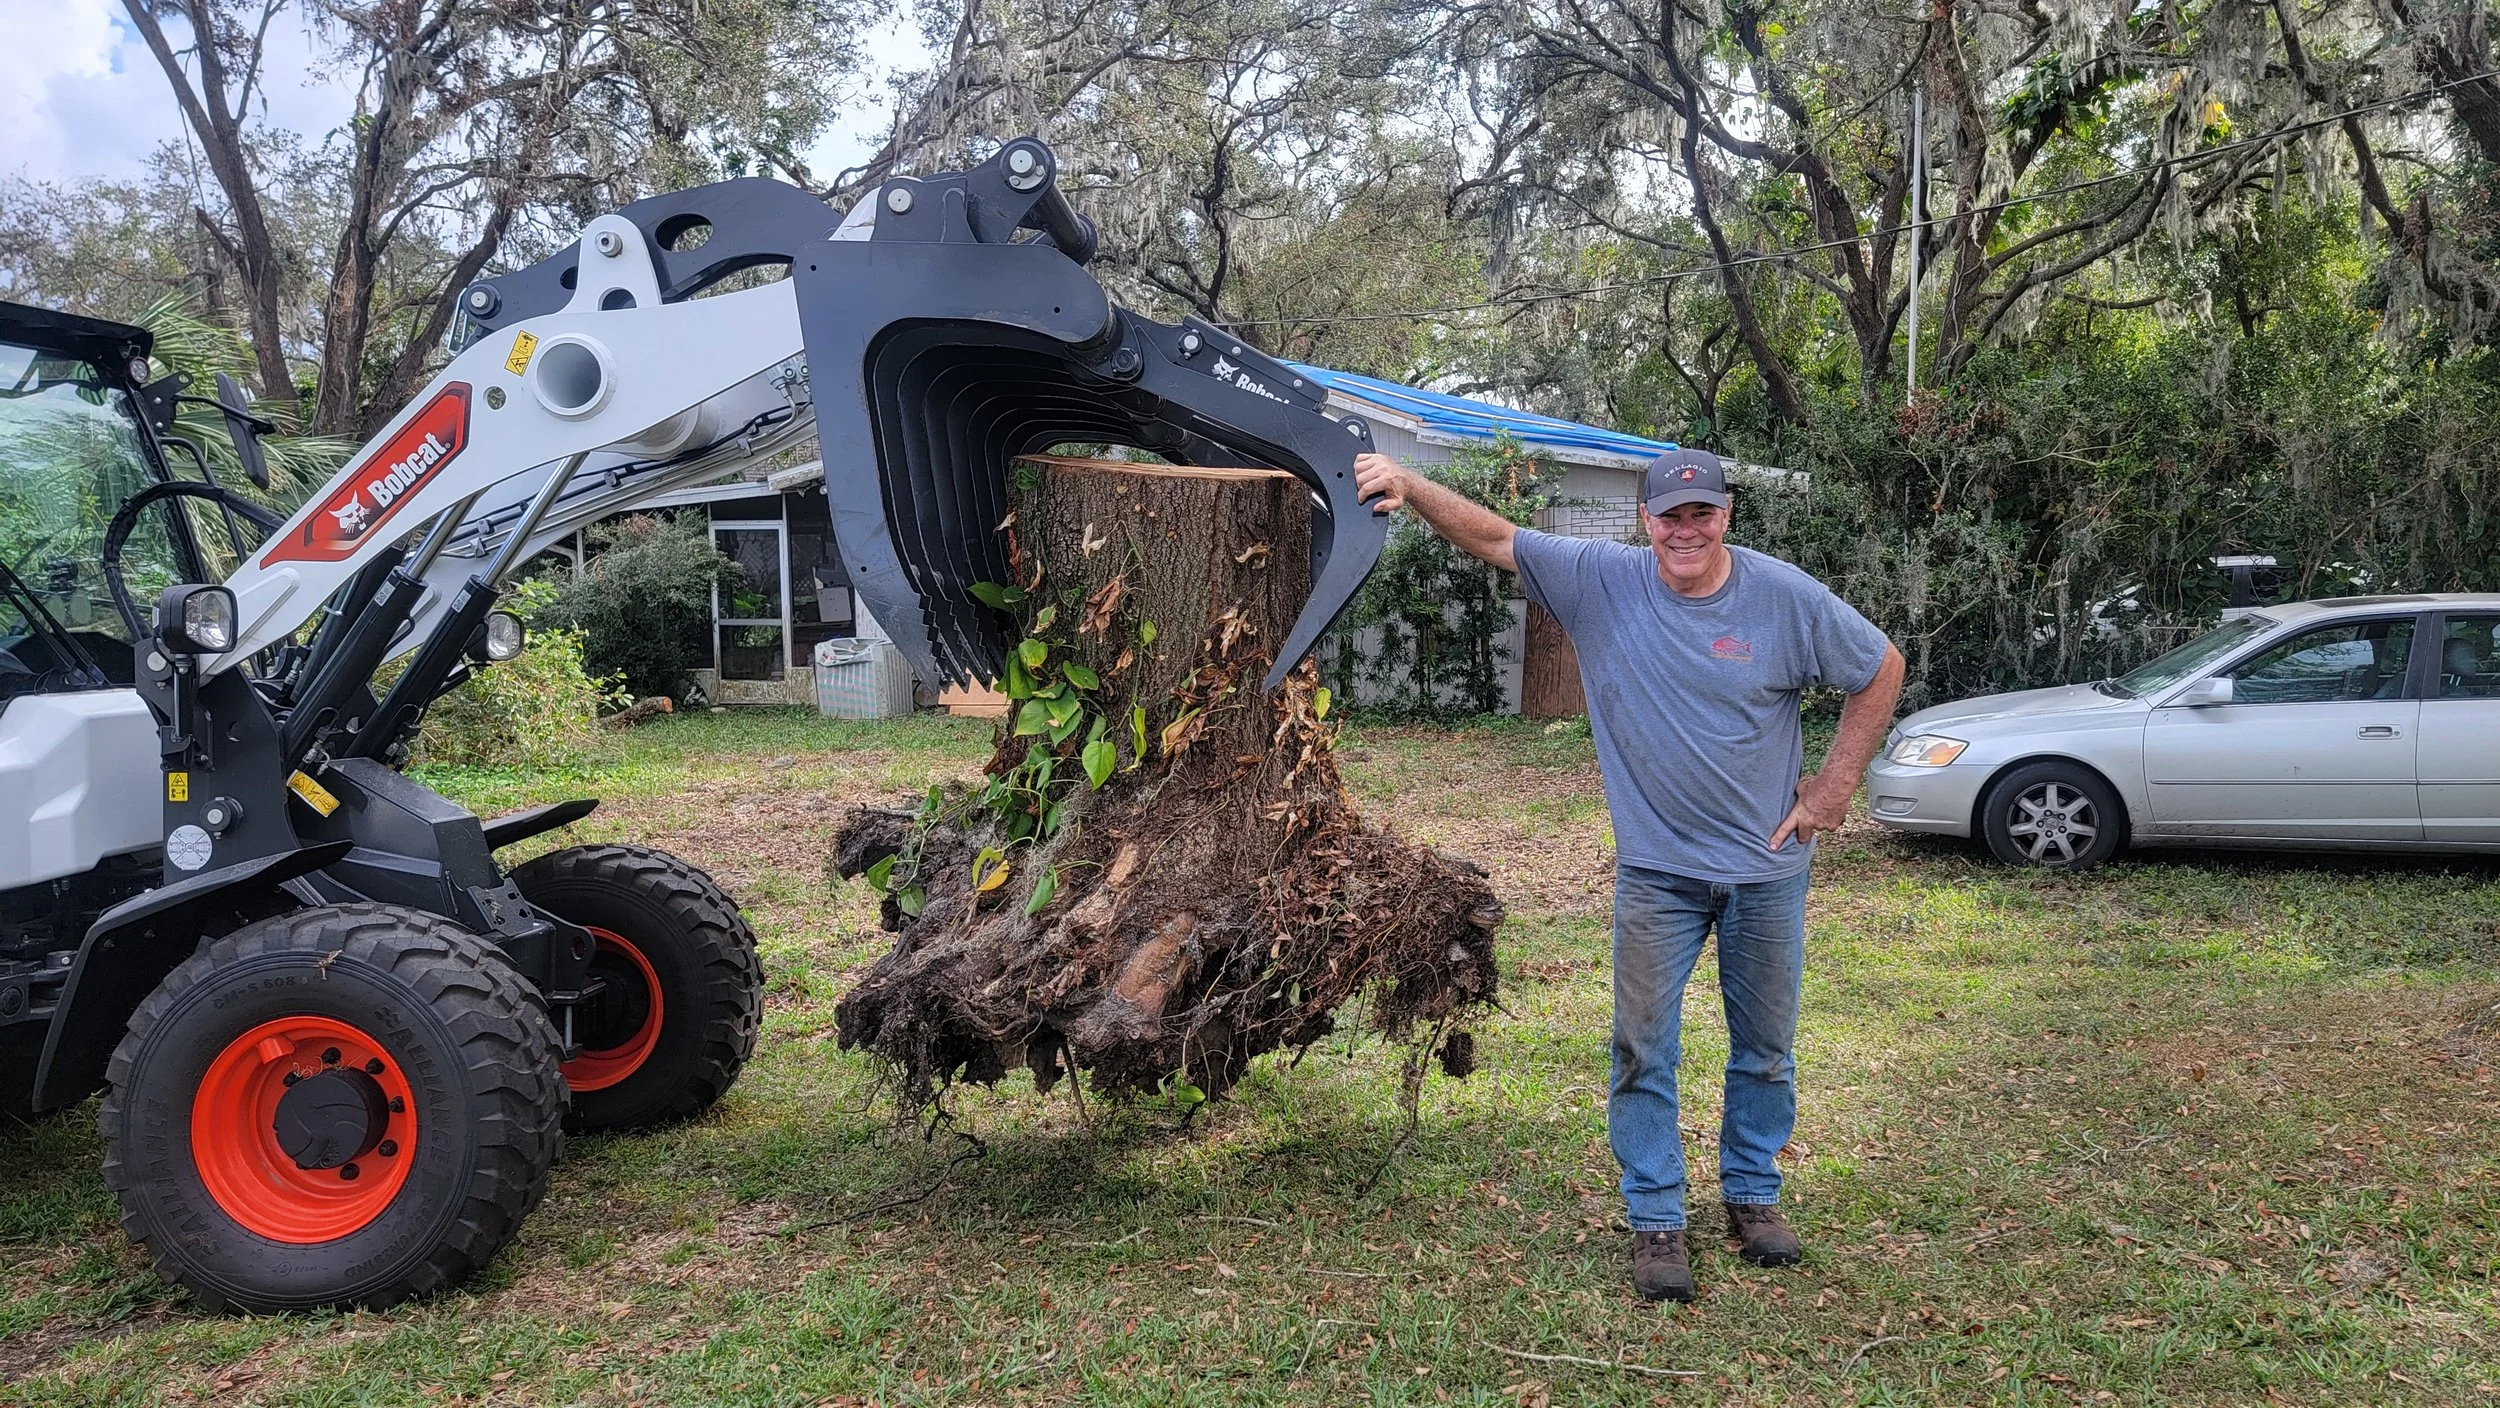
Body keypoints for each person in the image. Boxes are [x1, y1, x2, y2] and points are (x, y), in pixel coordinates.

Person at [1353, 446, 1904, 1303]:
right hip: (1658, 876)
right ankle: (1656, 1216)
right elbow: (1496, 538)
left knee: (1765, 1051)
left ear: (1727, 516)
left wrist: (1833, 788)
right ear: (1645, 520)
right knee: (1643, 1048)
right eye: (1670, 515)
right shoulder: (1600, 581)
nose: (1686, 530)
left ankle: (1752, 1197)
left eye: (1703, 514)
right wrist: (1410, 482)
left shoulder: (1783, 597)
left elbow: (1880, 667)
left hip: (1766, 872)